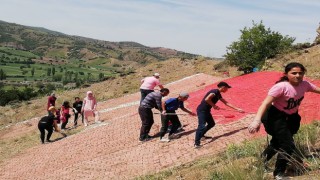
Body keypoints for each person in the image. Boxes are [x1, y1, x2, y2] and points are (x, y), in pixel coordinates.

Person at [248, 62, 320, 179]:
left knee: (277, 142)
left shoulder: (305, 84)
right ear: (286, 74)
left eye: (300, 73)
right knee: (288, 145)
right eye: (294, 73)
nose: (297, 75)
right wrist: (257, 121)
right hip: (275, 116)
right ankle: (279, 174)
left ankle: (260, 163)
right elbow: (265, 103)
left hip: (291, 117)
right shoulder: (281, 87)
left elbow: (317, 89)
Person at [194, 81, 244, 148]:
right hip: (202, 110)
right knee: (201, 126)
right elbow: (207, 99)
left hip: (207, 111)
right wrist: (214, 106)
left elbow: (226, 103)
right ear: (223, 87)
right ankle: (196, 143)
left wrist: (237, 109)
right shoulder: (214, 92)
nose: (227, 89)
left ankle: (202, 135)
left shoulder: (218, 94)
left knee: (211, 124)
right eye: (227, 88)